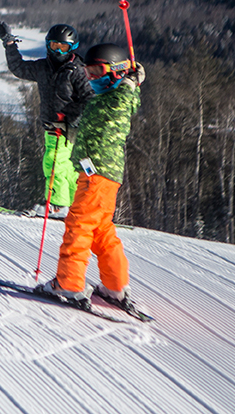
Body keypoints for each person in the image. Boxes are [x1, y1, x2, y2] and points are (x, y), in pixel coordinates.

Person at [35, 43, 145, 311]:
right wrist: (66, 124)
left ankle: (69, 284)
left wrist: (131, 82)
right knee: (101, 230)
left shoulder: (118, 98)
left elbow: (124, 101)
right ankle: (115, 286)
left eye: (98, 71)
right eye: (89, 72)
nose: (92, 78)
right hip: (102, 176)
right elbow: (91, 117)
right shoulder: (104, 99)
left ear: (117, 72)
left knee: (79, 226)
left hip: (96, 175)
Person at [0, 22, 93, 219]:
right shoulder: (43, 67)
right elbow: (19, 68)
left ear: (72, 47)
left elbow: (90, 99)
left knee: (54, 163)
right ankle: (77, 204)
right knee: (65, 166)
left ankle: (58, 204)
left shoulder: (77, 71)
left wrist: (74, 118)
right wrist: (9, 42)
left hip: (67, 127)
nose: (57, 51)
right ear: (48, 45)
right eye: (54, 46)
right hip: (51, 126)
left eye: (63, 47)